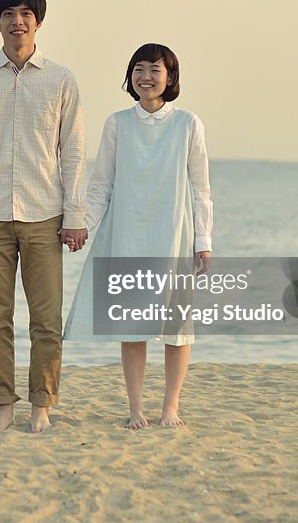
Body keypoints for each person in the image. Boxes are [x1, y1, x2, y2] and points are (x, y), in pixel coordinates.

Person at [0, 0, 88, 433]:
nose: (18, 21)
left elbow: (72, 152)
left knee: (46, 320)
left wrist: (75, 216)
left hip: (45, 216)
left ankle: (42, 406)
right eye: (9, 14)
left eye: (26, 14)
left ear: (38, 22)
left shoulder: (61, 79)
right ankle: (3, 406)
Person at [63, 43, 213, 428]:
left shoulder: (188, 124)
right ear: (131, 76)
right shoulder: (117, 123)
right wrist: (81, 225)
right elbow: (102, 185)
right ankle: (135, 409)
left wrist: (203, 241)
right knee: (133, 326)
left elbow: (201, 190)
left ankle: (170, 407)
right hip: (128, 233)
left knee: (177, 329)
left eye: (155, 69)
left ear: (170, 77)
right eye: (139, 69)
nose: (146, 77)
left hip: (174, 235)